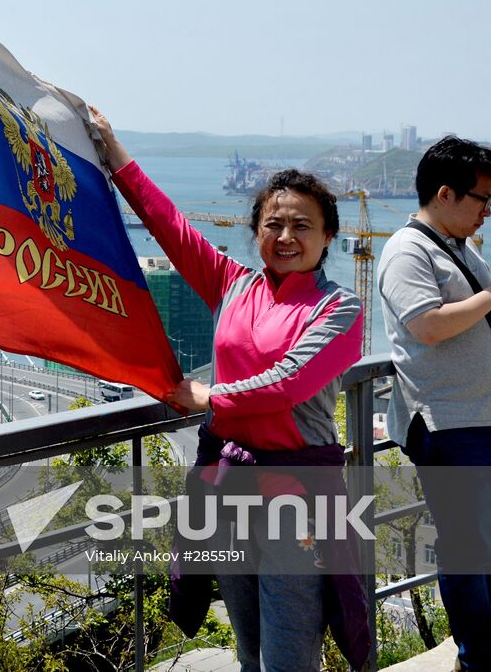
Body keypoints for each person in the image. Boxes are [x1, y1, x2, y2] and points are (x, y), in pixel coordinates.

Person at [92, 108, 368, 671]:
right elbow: (172, 229)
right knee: (249, 647)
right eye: (273, 224)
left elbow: (287, 383)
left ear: (329, 236)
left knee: (289, 655)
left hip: (297, 498)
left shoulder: (340, 308)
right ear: (256, 230)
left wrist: (208, 397)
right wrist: (114, 153)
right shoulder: (233, 285)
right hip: (229, 489)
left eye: (302, 225)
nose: (286, 236)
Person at [378, 136, 491, 672]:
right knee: (464, 549)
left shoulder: (457, 246)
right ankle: (482, 660)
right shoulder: (407, 250)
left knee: (485, 540)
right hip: (449, 421)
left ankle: (478, 655)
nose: (486, 211)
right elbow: (427, 326)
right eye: (481, 199)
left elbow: (479, 320)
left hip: (485, 416)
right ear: (446, 192)